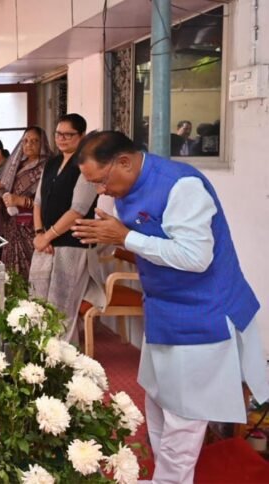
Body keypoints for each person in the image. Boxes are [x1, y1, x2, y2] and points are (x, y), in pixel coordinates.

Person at [71, 130, 268, 484]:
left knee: (183, 421)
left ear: (124, 162)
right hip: (163, 311)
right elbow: (143, 241)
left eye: (101, 181)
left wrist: (125, 237)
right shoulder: (124, 187)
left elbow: (196, 257)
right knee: (159, 406)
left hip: (201, 315)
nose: (101, 190)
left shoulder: (181, 186)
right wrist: (111, 238)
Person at [28, 114, 103, 344]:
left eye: (68, 135)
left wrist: (48, 235)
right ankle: (39, 353)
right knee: (37, 302)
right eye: (58, 134)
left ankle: (62, 358)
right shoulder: (51, 163)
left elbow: (78, 209)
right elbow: (38, 201)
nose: (61, 138)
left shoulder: (86, 166)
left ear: (81, 136)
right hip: (45, 243)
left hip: (72, 244)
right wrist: (39, 234)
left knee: (61, 307)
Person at [0, 126, 52, 279]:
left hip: (34, 226)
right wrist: (0, 189)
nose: (29, 145)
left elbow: (50, 201)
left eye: (34, 141)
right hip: (13, 225)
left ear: (43, 143)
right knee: (12, 275)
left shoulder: (48, 167)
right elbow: (9, 195)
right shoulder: (16, 165)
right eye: (25, 141)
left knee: (33, 272)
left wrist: (21, 201)